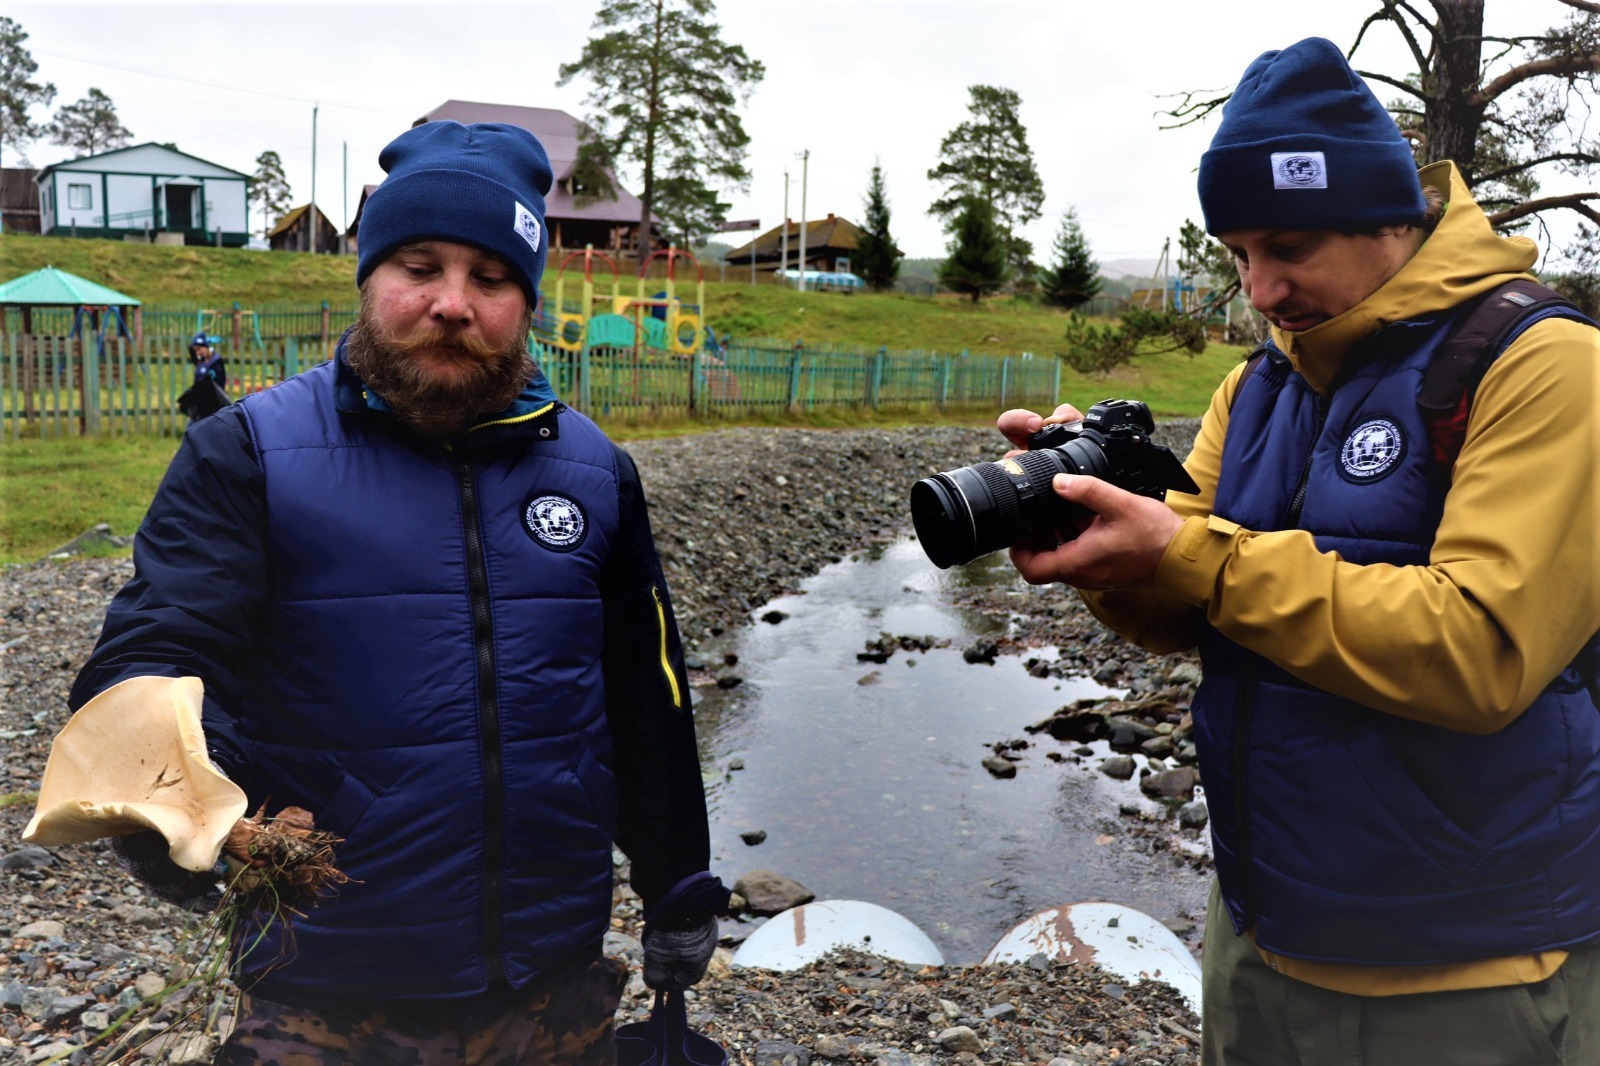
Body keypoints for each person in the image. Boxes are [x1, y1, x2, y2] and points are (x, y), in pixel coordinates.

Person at [69, 120, 728, 1064]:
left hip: (547, 972)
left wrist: (675, 884)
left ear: (527, 300)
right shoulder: (248, 453)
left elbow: (645, 697)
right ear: (370, 278)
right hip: (325, 981)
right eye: (419, 266)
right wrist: (175, 821)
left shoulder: (593, 474)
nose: (453, 303)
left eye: (491, 278)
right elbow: (155, 653)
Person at [997, 37, 1600, 1065]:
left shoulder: (1545, 365)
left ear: (1392, 222)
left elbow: (1481, 650)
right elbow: (1193, 599)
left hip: (1467, 968)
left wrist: (1196, 556)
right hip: (1262, 934)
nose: (1261, 290)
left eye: (1289, 248)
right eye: (1237, 255)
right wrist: (1099, 544)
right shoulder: (1258, 387)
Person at [176, 331, 230, 421]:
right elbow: (191, 350)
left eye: (200, 349)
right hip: (200, 404)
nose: (198, 352)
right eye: (196, 350)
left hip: (212, 404)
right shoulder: (200, 362)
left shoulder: (216, 361)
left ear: (206, 346)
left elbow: (219, 384)